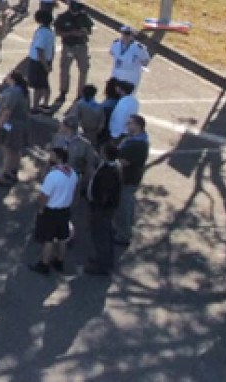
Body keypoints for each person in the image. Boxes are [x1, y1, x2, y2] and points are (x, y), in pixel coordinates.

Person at [30, 146, 79, 275]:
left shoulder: (53, 175)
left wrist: (41, 209)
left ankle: (44, 264)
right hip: (65, 210)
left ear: (59, 158)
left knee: (48, 239)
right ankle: (59, 261)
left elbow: (44, 196)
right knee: (62, 237)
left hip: (51, 211)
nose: (49, 158)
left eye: (52, 156)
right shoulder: (72, 173)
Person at [83, 140, 123, 276]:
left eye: (102, 151)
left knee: (101, 236)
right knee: (105, 235)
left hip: (102, 209)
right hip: (104, 208)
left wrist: (97, 207)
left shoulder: (109, 173)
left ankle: (102, 265)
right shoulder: (111, 166)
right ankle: (103, 259)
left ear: (106, 154)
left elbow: (104, 195)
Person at [114, 114, 150, 246]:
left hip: (128, 180)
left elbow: (123, 161)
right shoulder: (134, 139)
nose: (127, 125)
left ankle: (124, 235)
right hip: (128, 178)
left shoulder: (137, 145)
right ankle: (122, 229)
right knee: (125, 205)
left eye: (130, 123)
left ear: (138, 126)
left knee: (123, 208)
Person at [109, 26, 151, 93]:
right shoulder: (116, 43)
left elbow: (146, 60)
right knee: (113, 94)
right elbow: (111, 52)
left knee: (127, 95)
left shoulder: (138, 48)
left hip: (130, 76)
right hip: (116, 73)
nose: (125, 36)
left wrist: (137, 64)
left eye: (128, 34)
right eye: (124, 33)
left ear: (132, 36)